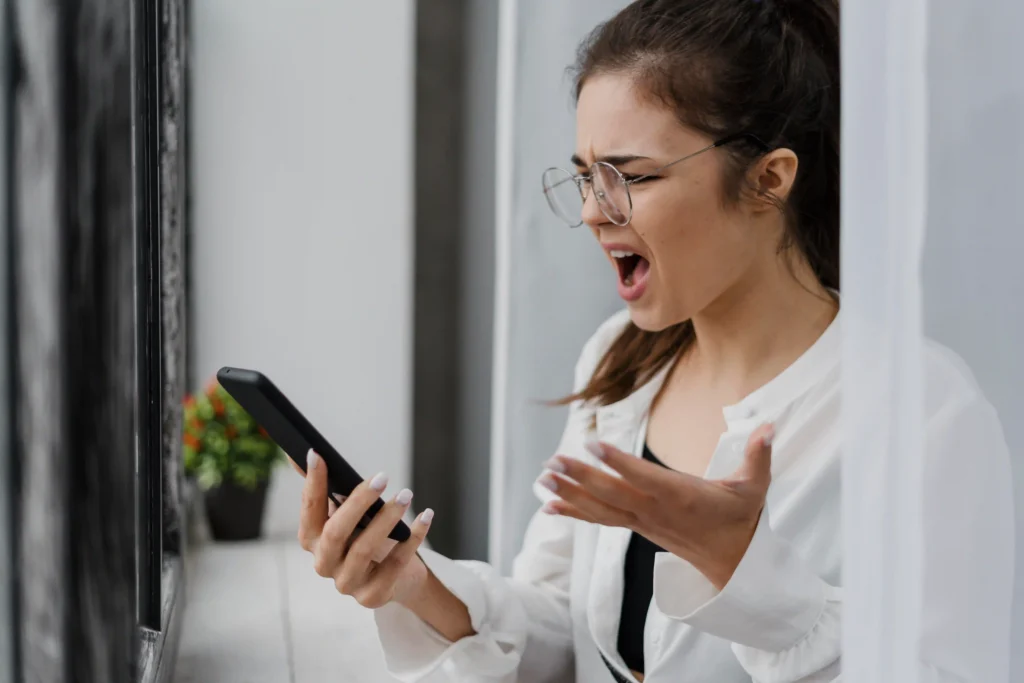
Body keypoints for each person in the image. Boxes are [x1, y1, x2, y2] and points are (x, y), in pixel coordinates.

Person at [294, 1, 1015, 681]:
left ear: (768, 180)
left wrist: (748, 577)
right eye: (584, 177)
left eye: (628, 176)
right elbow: (562, 630)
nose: (592, 212)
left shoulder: (928, 418)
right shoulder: (620, 363)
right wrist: (418, 587)